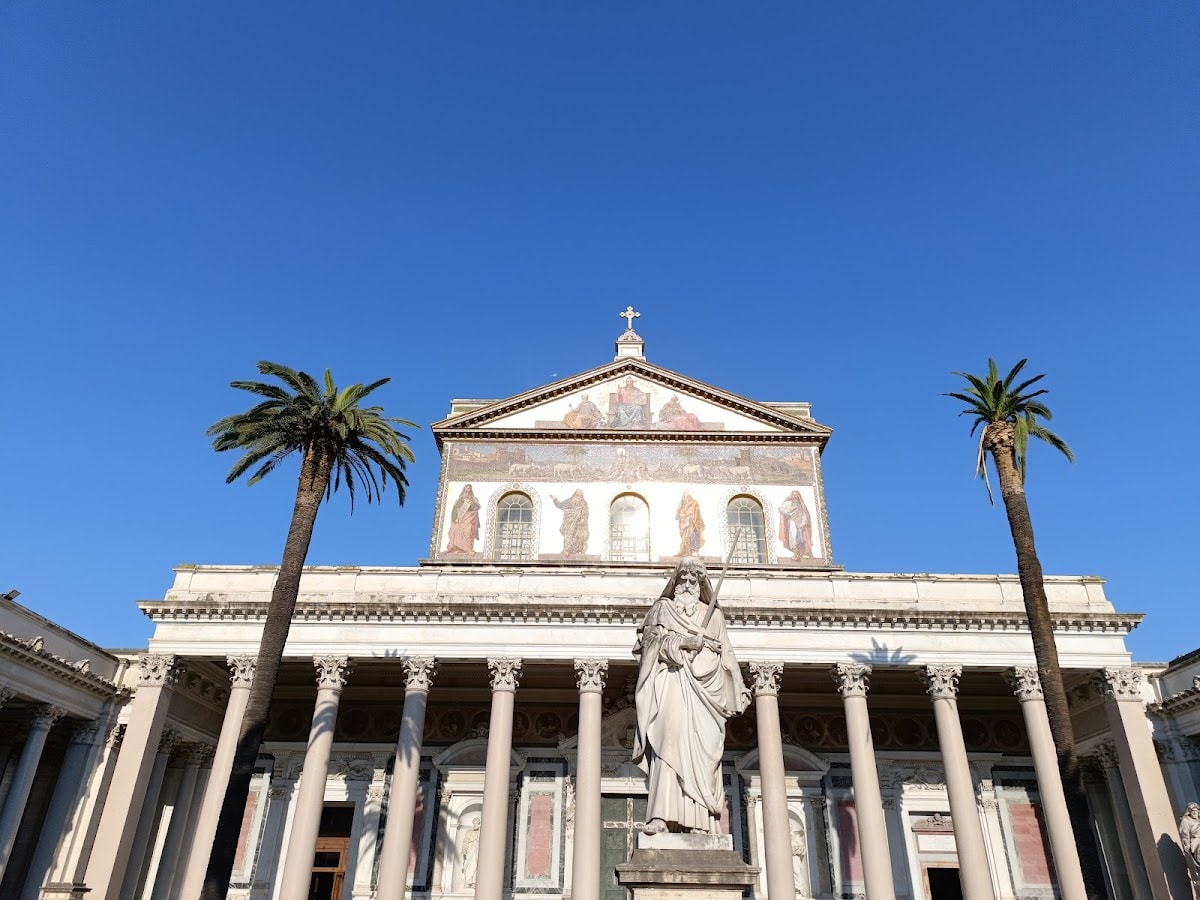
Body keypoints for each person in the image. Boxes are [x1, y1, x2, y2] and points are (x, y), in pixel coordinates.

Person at [633, 557, 749, 834]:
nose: (688, 584)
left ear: (702, 584)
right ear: (675, 582)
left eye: (694, 579)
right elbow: (649, 644)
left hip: (705, 694)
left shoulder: (714, 616)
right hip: (672, 683)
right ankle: (660, 817)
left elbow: (727, 655)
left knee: (703, 751)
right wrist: (685, 642)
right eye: (683, 579)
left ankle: (702, 823)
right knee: (667, 742)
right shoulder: (663, 610)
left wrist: (737, 686)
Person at [551, 489, 589, 556]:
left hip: (579, 523)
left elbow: (585, 511)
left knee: (579, 536)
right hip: (568, 522)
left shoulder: (584, 503)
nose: (578, 497)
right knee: (568, 535)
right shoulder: (569, 501)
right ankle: (566, 550)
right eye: (577, 494)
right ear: (574, 495)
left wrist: (583, 518)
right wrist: (555, 499)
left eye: (580, 495)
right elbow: (560, 505)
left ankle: (577, 551)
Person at [445, 485, 480, 554]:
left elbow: (477, 507)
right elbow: (455, 508)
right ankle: (457, 548)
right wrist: (455, 518)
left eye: (469, 489)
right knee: (456, 531)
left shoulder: (473, 498)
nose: (468, 490)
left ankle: (468, 548)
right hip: (460, 518)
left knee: (468, 532)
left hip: (470, 517)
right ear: (464, 489)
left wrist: (471, 503)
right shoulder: (460, 499)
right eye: (467, 489)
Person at [778, 489, 813, 559]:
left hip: (800, 524)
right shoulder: (788, 503)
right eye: (793, 494)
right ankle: (795, 554)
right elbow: (780, 509)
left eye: (796, 495)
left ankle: (801, 554)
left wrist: (803, 523)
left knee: (801, 538)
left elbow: (805, 515)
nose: (794, 496)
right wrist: (788, 512)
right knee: (793, 536)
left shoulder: (801, 505)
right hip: (792, 522)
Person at [675, 491, 705, 557]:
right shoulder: (681, 505)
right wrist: (682, 515)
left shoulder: (694, 503)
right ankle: (687, 551)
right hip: (685, 524)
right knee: (686, 537)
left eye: (687, 496)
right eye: (685, 496)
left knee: (694, 535)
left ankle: (694, 551)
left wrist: (692, 516)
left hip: (693, 523)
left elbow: (697, 513)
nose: (686, 498)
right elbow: (677, 515)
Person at [460, 816, 481, 887]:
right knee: (468, 864)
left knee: (475, 864)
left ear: (479, 824)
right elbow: (465, 841)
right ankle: (468, 881)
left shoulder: (482, 831)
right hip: (470, 849)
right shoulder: (469, 831)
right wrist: (464, 849)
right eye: (474, 823)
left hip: (477, 850)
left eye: (476, 823)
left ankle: (474, 881)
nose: (475, 825)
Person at [1180, 802, 1200, 868]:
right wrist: (1186, 844)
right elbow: (1185, 834)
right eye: (1192, 811)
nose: (1195, 813)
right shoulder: (1186, 820)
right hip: (1196, 840)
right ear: (1189, 812)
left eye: (1196, 811)